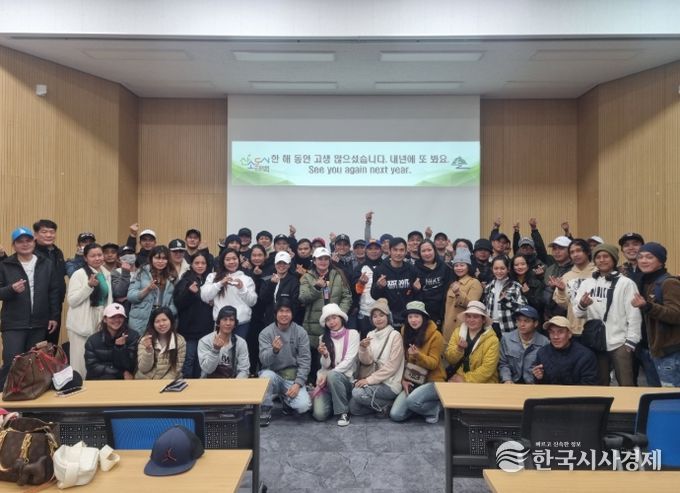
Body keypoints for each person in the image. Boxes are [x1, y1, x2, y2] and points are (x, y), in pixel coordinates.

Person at [573, 244, 641, 386]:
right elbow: (578, 314)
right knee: (600, 384)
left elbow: (634, 314)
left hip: (620, 342)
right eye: (598, 257)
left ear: (614, 259)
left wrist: (631, 341)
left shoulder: (626, 283)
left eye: (606, 256)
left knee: (626, 384)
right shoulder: (587, 284)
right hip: (596, 341)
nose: (602, 260)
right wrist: (582, 305)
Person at [0, 227, 60, 387]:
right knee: (12, 362)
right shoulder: (5, 265)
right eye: (20, 241)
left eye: (28, 240)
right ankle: (5, 398)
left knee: (34, 364)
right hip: (14, 324)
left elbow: (54, 292)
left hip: (39, 323)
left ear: (34, 242)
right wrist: (11, 289)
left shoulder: (46, 264)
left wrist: (54, 316)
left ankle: (30, 398)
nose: (25, 244)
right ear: (13, 245)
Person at [299, 246, 352, 381]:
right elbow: (303, 298)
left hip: (335, 324)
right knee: (315, 358)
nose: (323, 261)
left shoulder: (338, 274)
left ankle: (333, 383)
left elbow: (347, 297)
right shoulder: (307, 277)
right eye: (320, 259)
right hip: (314, 324)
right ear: (314, 261)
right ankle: (313, 385)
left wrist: (339, 315)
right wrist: (316, 287)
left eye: (326, 259)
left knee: (334, 355)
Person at [632, 242, 680, 387]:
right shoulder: (643, 282)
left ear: (661, 261)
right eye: (640, 257)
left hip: (668, 352)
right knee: (655, 394)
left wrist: (648, 306)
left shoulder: (669, 283)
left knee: (670, 396)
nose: (643, 261)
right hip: (648, 350)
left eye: (649, 257)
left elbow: (676, 315)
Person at [390, 301, 445, 424]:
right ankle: (419, 406)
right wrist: (403, 380)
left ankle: (434, 408)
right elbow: (403, 360)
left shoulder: (436, 335)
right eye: (410, 317)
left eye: (417, 316)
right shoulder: (405, 331)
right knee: (396, 415)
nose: (413, 320)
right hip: (413, 379)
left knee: (412, 401)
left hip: (433, 380)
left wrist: (418, 356)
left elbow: (434, 363)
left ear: (423, 317)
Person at [258, 300, 312, 426]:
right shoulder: (266, 333)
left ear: (292, 314)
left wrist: (298, 384)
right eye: (281, 311)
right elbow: (264, 360)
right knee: (266, 376)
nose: (284, 314)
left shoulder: (300, 332)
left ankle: (286, 400)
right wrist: (274, 351)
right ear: (275, 314)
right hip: (274, 375)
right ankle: (265, 409)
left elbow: (305, 361)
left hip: (292, 378)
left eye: (287, 311)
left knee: (303, 406)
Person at [349, 298, 404, 417]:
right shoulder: (370, 334)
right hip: (374, 380)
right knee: (354, 408)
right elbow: (367, 361)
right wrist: (363, 348)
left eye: (381, 315)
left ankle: (389, 404)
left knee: (357, 393)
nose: (378, 319)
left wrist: (368, 381)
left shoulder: (395, 335)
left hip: (389, 383)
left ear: (388, 317)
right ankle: (384, 406)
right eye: (375, 316)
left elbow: (392, 367)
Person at [66, 243, 113, 376]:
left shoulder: (106, 273)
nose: (97, 258)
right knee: (80, 361)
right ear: (85, 258)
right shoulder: (79, 274)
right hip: (81, 324)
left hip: (99, 320)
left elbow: (107, 299)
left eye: (99, 255)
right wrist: (88, 286)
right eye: (93, 256)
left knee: (97, 360)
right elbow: (72, 301)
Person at [312, 304, 359, 426]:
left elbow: (349, 361)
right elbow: (325, 365)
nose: (332, 322)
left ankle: (343, 412)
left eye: (334, 318)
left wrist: (329, 375)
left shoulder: (353, 334)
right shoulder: (323, 338)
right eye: (328, 320)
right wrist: (325, 355)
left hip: (345, 380)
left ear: (341, 318)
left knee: (333, 375)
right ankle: (336, 400)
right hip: (326, 381)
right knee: (319, 415)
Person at [173, 252, 214, 378]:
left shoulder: (210, 280)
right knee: (189, 359)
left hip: (206, 329)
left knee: (202, 360)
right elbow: (178, 303)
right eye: (197, 263)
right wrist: (189, 292)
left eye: (203, 263)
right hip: (189, 330)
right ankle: (187, 384)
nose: (200, 266)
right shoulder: (185, 280)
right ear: (191, 264)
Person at [201, 248, 257, 339]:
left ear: (239, 260)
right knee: (220, 347)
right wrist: (220, 284)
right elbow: (204, 296)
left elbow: (252, 302)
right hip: (220, 323)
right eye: (227, 259)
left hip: (241, 323)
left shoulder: (247, 279)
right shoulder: (213, 276)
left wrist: (241, 288)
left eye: (234, 259)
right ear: (223, 261)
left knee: (238, 347)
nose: (231, 262)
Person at [444, 301, 499, 383]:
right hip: (458, 378)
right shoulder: (457, 332)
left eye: (475, 317)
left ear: (483, 320)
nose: (471, 320)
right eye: (468, 316)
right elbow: (450, 359)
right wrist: (459, 349)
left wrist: (465, 379)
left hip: (484, 382)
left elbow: (488, 369)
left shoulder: (492, 340)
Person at [532, 316, 598, 385]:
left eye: (560, 332)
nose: (555, 337)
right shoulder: (542, 353)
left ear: (569, 334)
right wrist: (539, 378)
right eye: (552, 332)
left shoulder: (585, 355)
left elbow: (589, 385)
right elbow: (540, 385)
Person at [127, 245, 177, 335]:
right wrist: (148, 289)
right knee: (141, 342)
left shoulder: (172, 275)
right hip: (141, 318)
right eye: (157, 258)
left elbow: (175, 301)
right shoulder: (141, 272)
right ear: (151, 258)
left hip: (162, 318)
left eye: (164, 258)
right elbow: (130, 296)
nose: (160, 261)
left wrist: (168, 312)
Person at [32, 219, 67, 346]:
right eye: (44, 232)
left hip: (56, 304)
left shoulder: (57, 252)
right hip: (38, 306)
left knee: (52, 344)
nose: (48, 235)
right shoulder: (31, 253)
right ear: (36, 234)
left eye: (52, 232)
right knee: (37, 345)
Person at [84, 302, 139, 380]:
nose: (117, 320)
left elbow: (131, 366)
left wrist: (121, 348)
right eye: (112, 317)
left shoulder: (133, 336)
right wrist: (119, 373)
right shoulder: (92, 340)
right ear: (105, 319)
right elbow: (92, 367)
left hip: (123, 380)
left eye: (120, 317)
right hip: (99, 380)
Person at [552, 238, 596, 336]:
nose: (575, 254)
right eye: (572, 252)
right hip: (573, 328)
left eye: (579, 251)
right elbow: (564, 305)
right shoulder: (566, 276)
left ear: (588, 252)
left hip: (596, 328)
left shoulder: (598, 273)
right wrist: (561, 291)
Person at [370, 237, 416, 328]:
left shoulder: (411, 269)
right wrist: (379, 286)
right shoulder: (380, 270)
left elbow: (415, 295)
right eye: (395, 250)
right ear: (390, 251)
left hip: (407, 317)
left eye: (401, 250)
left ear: (406, 251)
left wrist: (416, 289)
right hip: (388, 318)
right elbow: (374, 296)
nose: (398, 253)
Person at [498, 306, 549, 384]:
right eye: (519, 320)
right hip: (512, 383)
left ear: (535, 323)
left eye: (526, 321)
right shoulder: (506, 339)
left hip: (534, 385)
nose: (522, 324)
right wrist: (507, 379)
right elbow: (503, 364)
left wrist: (540, 377)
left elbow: (546, 369)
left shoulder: (545, 342)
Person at [442, 248, 483, 344]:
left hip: (463, 328)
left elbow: (472, 305)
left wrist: (458, 292)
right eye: (456, 265)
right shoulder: (453, 282)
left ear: (468, 267)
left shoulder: (474, 283)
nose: (459, 268)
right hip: (448, 329)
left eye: (462, 265)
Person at [198, 305, 249, 378]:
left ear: (235, 324)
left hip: (233, 382)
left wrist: (236, 383)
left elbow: (244, 370)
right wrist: (215, 350)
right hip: (209, 381)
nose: (228, 323)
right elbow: (207, 370)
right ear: (218, 323)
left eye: (231, 320)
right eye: (225, 319)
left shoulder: (241, 343)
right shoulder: (205, 341)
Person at [135, 307, 185, 380]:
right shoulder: (145, 339)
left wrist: (160, 384)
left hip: (168, 382)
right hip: (144, 381)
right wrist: (148, 351)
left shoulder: (180, 341)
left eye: (164, 320)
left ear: (171, 321)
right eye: (157, 321)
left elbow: (175, 370)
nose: (161, 324)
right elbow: (143, 369)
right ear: (153, 324)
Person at [413, 239, 453, 329]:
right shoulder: (414, 269)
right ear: (419, 253)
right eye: (423, 251)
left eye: (429, 250)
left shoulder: (444, 267)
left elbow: (449, 286)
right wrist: (416, 289)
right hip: (423, 311)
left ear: (434, 250)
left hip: (442, 310)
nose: (427, 253)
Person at [483, 256, 527, 337]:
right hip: (490, 326)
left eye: (502, 268)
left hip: (508, 326)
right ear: (492, 269)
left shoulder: (515, 286)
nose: (499, 271)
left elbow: (522, 308)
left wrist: (507, 302)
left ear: (508, 269)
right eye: (496, 268)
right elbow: (485, 306)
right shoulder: (489, 286)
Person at [259, 251, 300, 327]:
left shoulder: (294, 281)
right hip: (270, 321)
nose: (281, 265)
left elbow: (295, 303)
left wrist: (287, 317)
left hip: (288, 321)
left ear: (289, 265)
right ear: (275, 264)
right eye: (279, 263)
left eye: (284, 263)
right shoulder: (267, 279)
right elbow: (263, 299)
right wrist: (272, 284)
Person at [354, 239, 384, 338]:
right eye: (370, 249)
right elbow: (354, 292)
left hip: (384, 313)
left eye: (376, 248)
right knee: (367, 342)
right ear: (366, 251)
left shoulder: (387, 266)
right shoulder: (359, 268)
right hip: (365, 314)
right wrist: (360, 284)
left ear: (381, 250)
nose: (373, 251)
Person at [510, 254, 545, 318]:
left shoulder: (536, 282)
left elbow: (540, 306)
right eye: (516, 265)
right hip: (512, 317)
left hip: (530, 318)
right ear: (512, 267)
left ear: (528, 266)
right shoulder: (509, 282)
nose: (520, 267)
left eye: (523, 264)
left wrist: (528, 294)